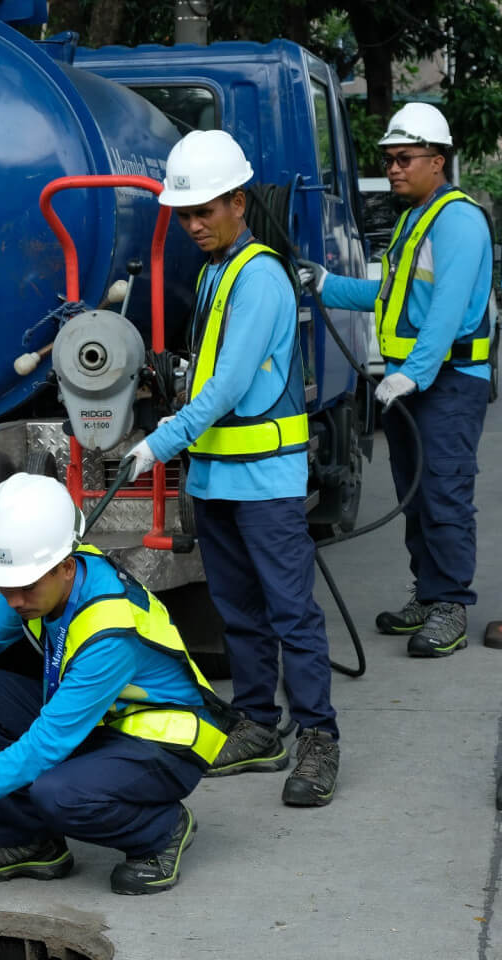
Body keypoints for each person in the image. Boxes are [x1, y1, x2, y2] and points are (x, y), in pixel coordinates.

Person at [0, 472, 230, 896]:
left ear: (65, 567)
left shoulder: (109, 632)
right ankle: (27, 842)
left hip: (163, 744)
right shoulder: (46, 580)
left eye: (22, 589)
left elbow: (48, 744)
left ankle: (161, 830)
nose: (13, 601)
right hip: (105, 723)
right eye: (3, 587)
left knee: (57, 794)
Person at [124, 129, 341, 806]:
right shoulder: (216, 271)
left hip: (266, 481)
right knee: (237, 609)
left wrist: (158, 443)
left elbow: (225, 388)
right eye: (185, 215)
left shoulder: (261, 278)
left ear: (238, 203)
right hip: (217, 477)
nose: (193, 225)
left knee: (289, 612)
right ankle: (258, 723)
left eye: (205, 211)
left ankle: (317, 738)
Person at [299, 103, 493, 659]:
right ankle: (428, 595)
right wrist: (326, 284)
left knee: (444, 493)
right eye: (389, 158)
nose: (394, 168)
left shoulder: (458, 220)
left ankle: (451, 605)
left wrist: (412, 375)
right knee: (414, 494)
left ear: (438, 160)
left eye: (404, 158)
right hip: (415, 384)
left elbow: (446, 314)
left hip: (450, 382)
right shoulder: (415, 219)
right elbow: (390, 297)